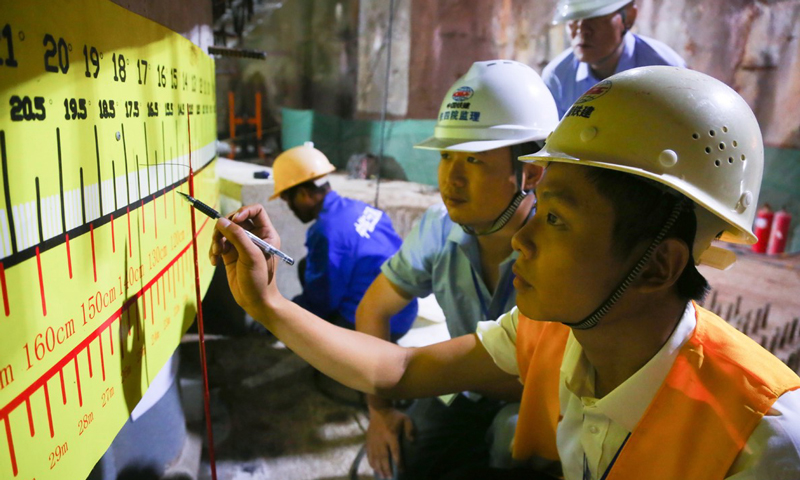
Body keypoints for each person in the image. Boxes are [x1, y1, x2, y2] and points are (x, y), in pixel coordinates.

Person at [210, 66, 800, 479]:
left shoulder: (764, 443)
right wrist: (268, 304)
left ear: (658, 265)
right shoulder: (551, 330)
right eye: (539, 210)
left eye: (559, 220)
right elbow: (399, 367)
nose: (524, 236)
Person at [355, 60, 559, 479]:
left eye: (475, 161)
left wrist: (423, 373)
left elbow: (549, 380)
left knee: (512, 440)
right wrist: (380, 413)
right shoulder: (438, 228)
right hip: (465, 386)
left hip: (542, 404)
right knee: (405, 452)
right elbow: (372, 310)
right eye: (447, 156)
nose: (452, 179)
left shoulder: (563, 249)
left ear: (531, 172)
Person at [270, 143, 418, 341]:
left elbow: (323, 299)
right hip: (405, 311)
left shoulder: (325, 231)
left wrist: (284, 315)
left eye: (288, 199)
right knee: (307, 265)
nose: (290, 207)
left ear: (304, 194)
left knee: (300, 327)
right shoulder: (359, 208)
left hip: (379, 322)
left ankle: (336, 367)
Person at [542, 0, 686, 117]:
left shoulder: (666, 70)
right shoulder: (558, 77)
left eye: (594, 18)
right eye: (573, 20)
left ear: (628, 18)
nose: (582, 30)